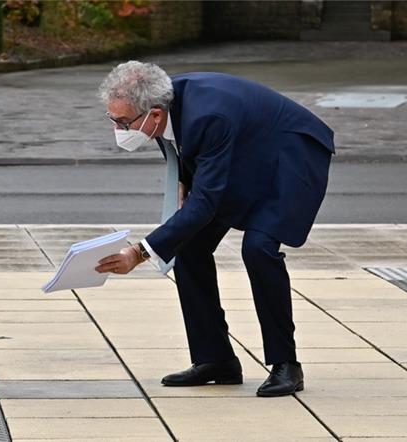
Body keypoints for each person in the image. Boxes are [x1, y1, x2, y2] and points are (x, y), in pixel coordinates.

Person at [95, 61, 334, 397]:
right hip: (244, 153)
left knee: (259, 248)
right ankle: (215, 359)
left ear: (155, 114)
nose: (118, 130)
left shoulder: (208, 114)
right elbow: (185, 151)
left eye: (123, 122)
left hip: (292, 156)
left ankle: (286, 364)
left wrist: (139, 252)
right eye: (113, 120)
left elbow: (204, 203)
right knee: (189, 246)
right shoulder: (159, 102)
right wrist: (184, 181)